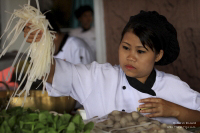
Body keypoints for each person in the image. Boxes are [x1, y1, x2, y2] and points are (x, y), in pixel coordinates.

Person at [24, 10, 200, 124]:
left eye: (140, 51)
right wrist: (40, 44)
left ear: (158, 55)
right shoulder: (98, 77)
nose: (130, 56)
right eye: (125, 48)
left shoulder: (173, 87)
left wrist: (176, 110)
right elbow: (51, 73)